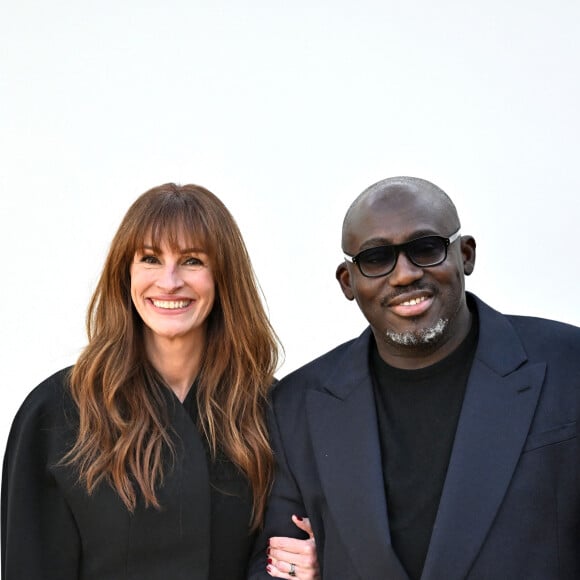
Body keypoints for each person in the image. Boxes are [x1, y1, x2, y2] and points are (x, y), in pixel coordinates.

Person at [248, 176, 580, 579]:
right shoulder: (294, 406)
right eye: (376, 258)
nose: (404, 275)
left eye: (426, 249)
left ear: (466, 255)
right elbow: (275, 567)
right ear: (347, 281)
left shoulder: (568, 364)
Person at [1, 183, 318, 579]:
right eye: (150, 258)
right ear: (125, 273)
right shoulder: (58, 414)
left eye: (192, 261)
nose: (169, 282)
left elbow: (291, 551)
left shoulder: (273, 412)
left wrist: (313, 563)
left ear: (223, 277)